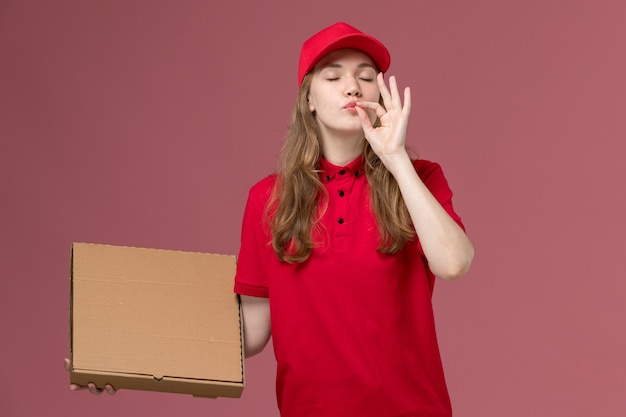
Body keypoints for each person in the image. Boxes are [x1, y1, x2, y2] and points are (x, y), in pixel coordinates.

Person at [235, 22, 474, 417]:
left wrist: (396, 159)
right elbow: (252, 333)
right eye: (333, 76)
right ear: (307, 99)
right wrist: (131, 353)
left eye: (366, 77)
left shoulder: (420, 178)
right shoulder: (268, 198)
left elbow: (454, 263)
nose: (353, 87)